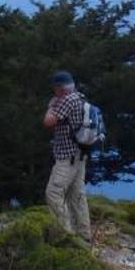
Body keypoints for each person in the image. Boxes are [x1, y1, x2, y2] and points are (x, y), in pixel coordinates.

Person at [42, 69, 92, 242]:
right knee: (76, 195)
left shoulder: (66, 100)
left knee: (53, 193)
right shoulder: (80, 97)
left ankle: (65, 235)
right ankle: (84, 235)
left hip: (67, 156)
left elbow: (48, 122)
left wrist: (50, 106)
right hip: (80, 154)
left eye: (55, 88)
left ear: (60, 88)